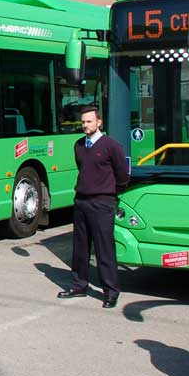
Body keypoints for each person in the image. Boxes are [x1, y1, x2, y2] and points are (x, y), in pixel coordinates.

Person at [57, 106, 129, 308]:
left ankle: (110, 292)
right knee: (80, 248)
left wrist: (110, 193)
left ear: (99, 123)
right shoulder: (79, 145)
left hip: (102, 202)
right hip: (82, 201)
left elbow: (122, 174)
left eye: (89, 121)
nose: (85, 125)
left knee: (104, 248)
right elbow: (83, 168)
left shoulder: (111, 146)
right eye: (83, 122)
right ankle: (79, 286)